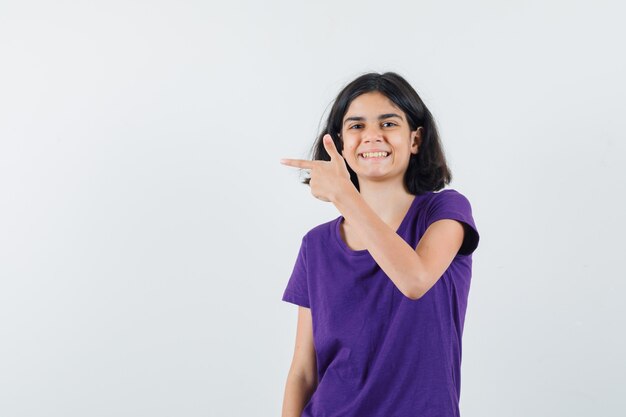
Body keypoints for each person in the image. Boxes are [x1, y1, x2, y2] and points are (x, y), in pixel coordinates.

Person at [279, 72, 480, 417]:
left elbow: (414, 279)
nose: (372, 136)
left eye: (388, 123)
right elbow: (303, 370)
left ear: (415, 139)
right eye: (356, 127)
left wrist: (343, 194)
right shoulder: (316, 245)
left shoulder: (445, 212)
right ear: (340, 143)